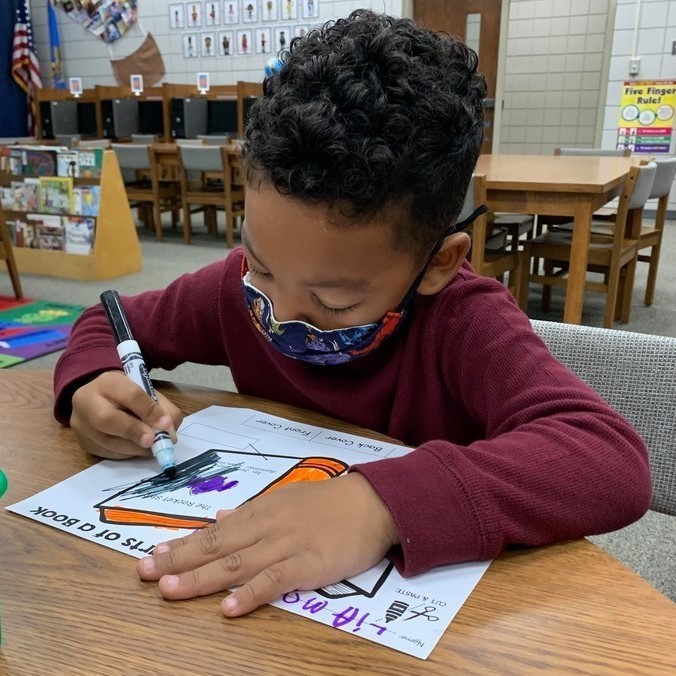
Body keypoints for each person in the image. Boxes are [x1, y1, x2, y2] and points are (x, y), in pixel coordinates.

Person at [53, 11, 651, 619]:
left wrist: (378, 504)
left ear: (438, 263)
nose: (278, 315)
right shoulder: (233, 290)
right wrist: (90, 382)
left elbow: (609, 461)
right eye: (259, 266)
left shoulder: (463, 322)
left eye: (333, 302)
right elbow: (110, 321)